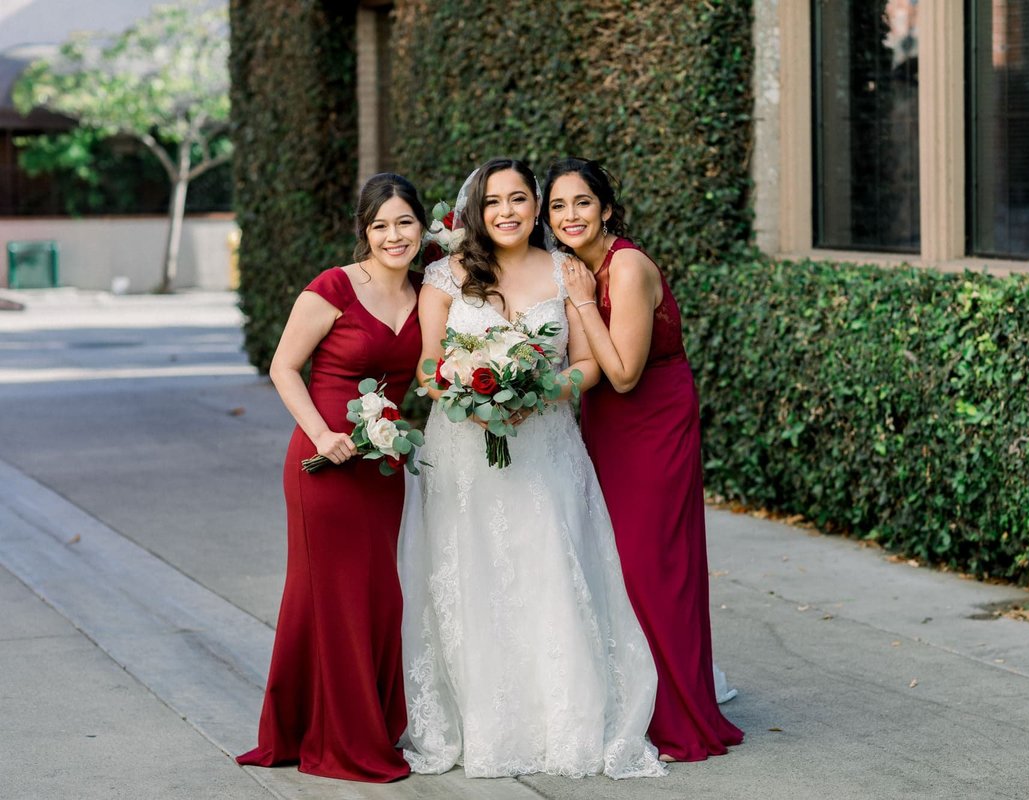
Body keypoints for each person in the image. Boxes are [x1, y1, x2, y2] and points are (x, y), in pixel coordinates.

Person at [399, 157, 665, 780]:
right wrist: (468, 394)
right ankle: (481, 723)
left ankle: (561, 721)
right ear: (476, 212)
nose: (508, 212)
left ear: (535, 208)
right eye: (494, 202)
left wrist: (536, 394)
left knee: (548, 568)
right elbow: (425, 366)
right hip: (465, 449)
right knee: (472, 575)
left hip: (544, 445)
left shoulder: (566, 270)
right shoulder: (443, 275)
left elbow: (587, 363)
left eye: (520, 199)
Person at [545, 157, 744, 762]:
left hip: (651, 417)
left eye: (582, 203)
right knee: (614, 561)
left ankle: (676, 713)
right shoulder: (573, 267)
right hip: (606, 422)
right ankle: (636, 694)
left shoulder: (624, 267)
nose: (569, 216)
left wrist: (581, 304)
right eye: (557, 206)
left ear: (606, 208)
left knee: (650, 564)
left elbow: (625, 374)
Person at [237, 173, 426, 782]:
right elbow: (284, 367)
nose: (393, 236)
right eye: (380, 225)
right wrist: (323, 434)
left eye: (403, 222)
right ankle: (334, 737)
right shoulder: (334, 288)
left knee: (378, 596)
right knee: (329, 596)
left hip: (383, 467)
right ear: (363, 232)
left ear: (422, 226)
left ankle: (350, 722)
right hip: (324, 462)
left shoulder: (431, 293)